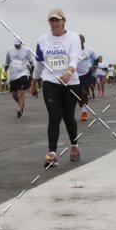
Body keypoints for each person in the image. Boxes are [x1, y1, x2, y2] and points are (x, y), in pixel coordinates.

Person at [30, 8, 81, 167]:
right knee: (54, 115)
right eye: (52, 20)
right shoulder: (42, 40)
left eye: (57, 20)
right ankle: (52, 153)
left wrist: (69, 72)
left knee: (68, 117)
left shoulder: (73, 37)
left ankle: (74, 146)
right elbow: (39, 63)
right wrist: (34, 82)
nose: (54, 23)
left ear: (63, 21)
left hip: (70, 82)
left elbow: (74, 57)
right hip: (50, 81)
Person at [4, 38, 33, 118]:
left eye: (18, 44)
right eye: (15, 45)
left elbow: (31, 63)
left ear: (21, 43)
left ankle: (19, 109)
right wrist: (5, 71)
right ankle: (22, 103)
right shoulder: (10, 51)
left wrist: (31, 73)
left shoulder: (26, 51)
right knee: (14, 94)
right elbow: (7, 62)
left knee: (21, 92)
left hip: (23, 73)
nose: (16, 46)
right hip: (13, 74)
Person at [76, 35, 96, 121]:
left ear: (84, 40)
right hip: (75, 75)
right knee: (78, 96)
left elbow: (96, 59)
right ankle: (81, 104)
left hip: (86, 74)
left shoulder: (89, 50)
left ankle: (84, 111)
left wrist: (93, 66)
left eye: (81, 39)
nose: (79, 41)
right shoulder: (72, 51)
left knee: (84, 92)